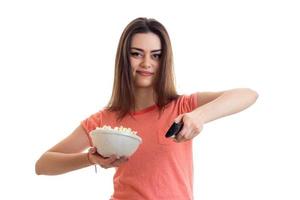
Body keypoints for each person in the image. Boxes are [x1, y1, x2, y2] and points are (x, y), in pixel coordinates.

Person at [35, 17, 259, 199]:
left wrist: (199, 116)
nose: (146, 63)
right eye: (136, 54)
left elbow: (248, 94)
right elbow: (43, 164)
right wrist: (91, 159)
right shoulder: (103, 120)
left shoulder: (182, 106)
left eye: (156, 56)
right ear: (124, 58)